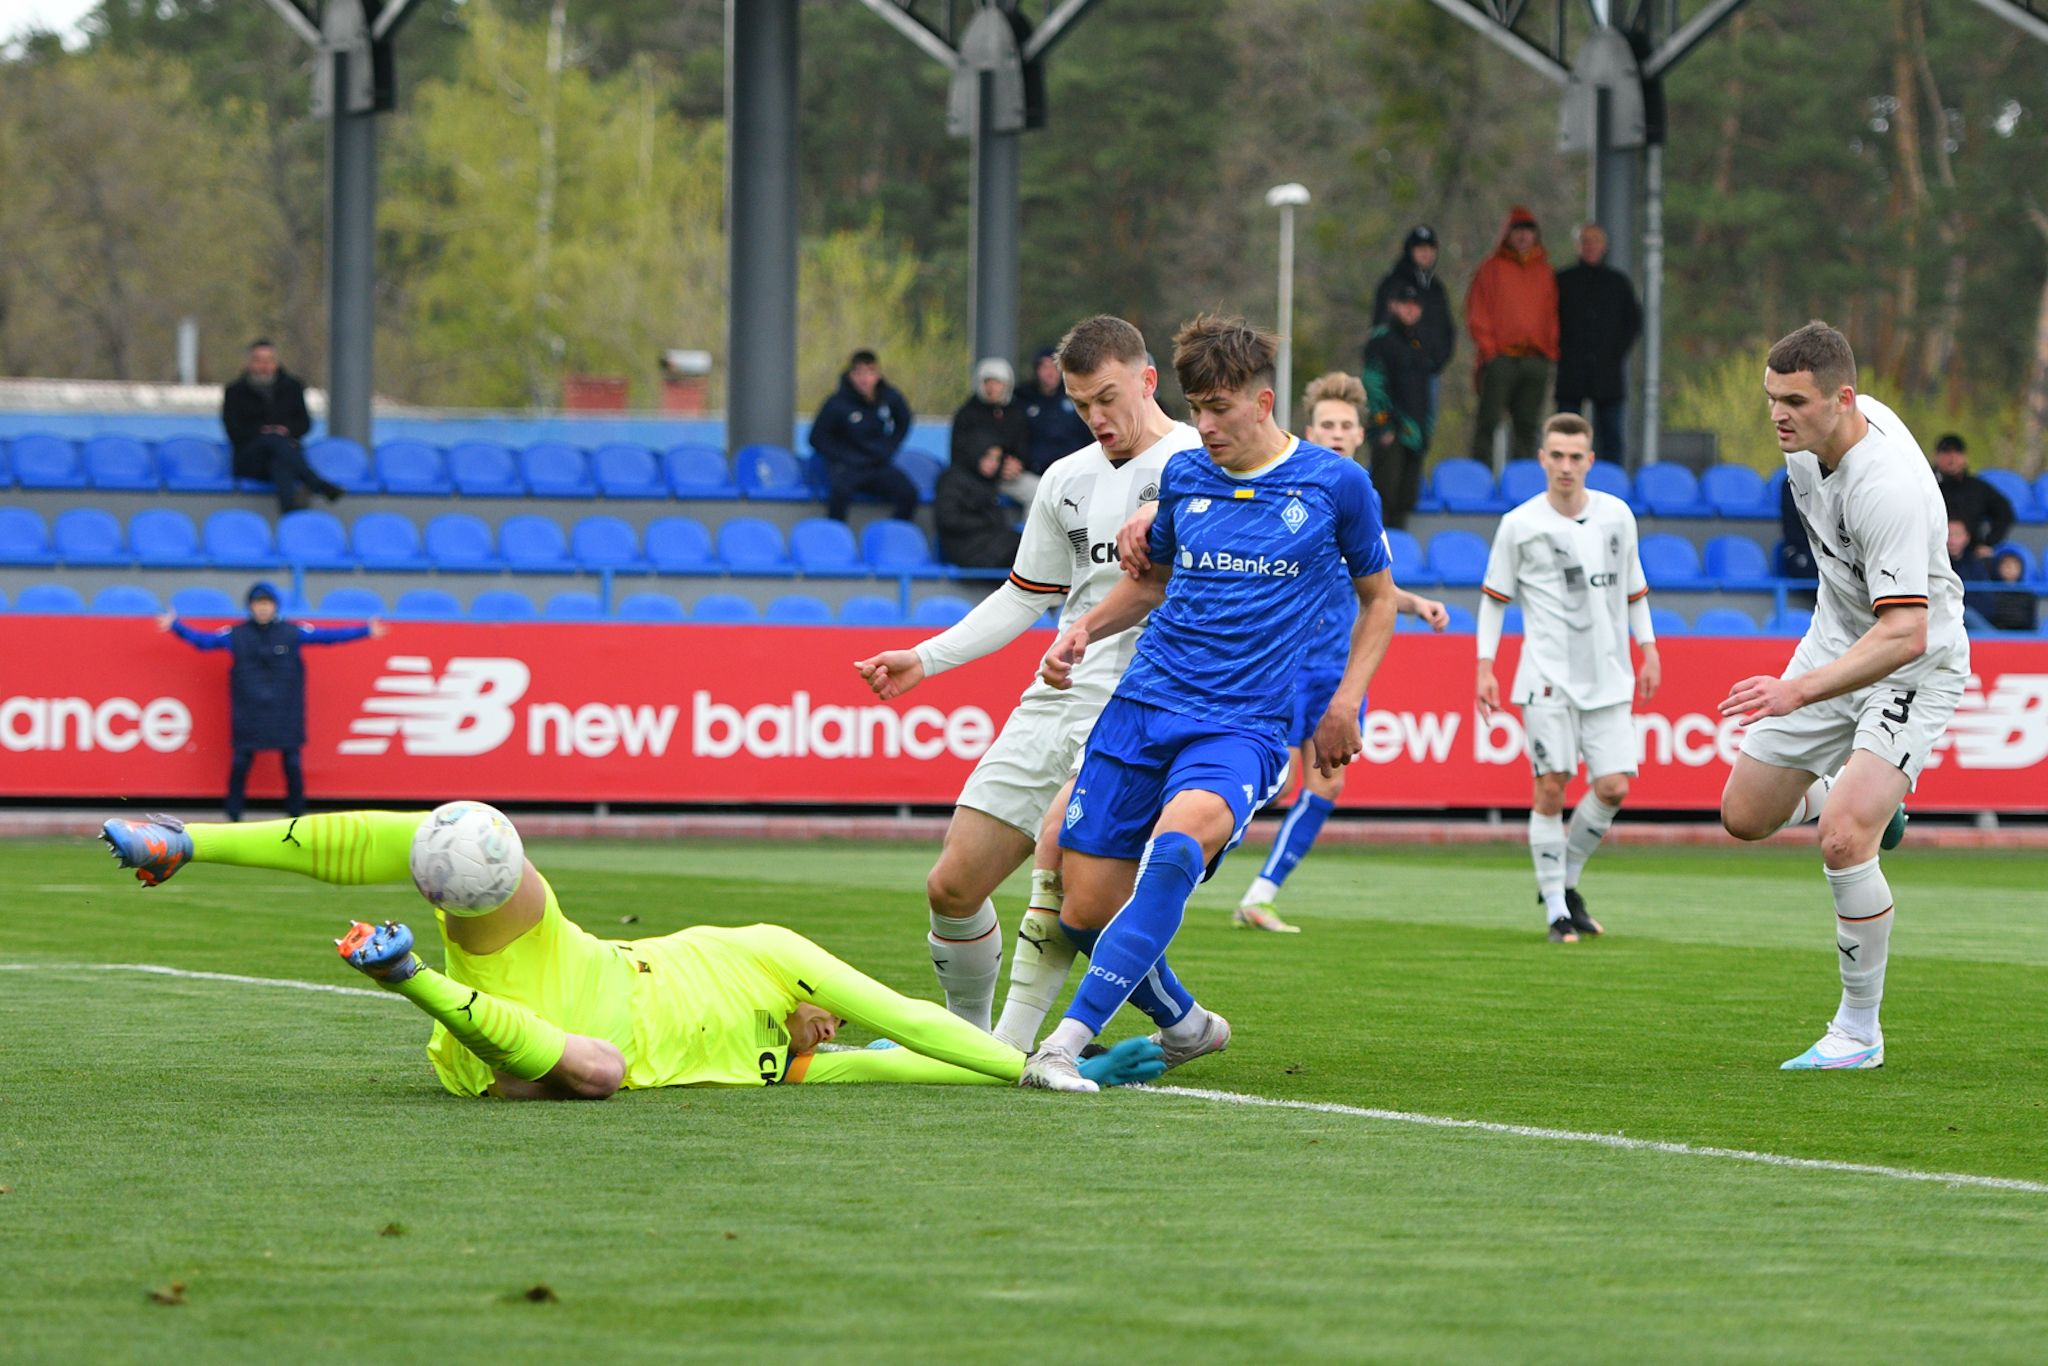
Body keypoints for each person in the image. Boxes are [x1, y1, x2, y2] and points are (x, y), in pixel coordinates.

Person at [96, 806, 1164, 1097]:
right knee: (461, 837)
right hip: (559, 985)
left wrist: (1044, 1063)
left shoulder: (784, 1068)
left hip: (540, 1031)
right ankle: (191, 840)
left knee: (591, 1067)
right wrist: (1025, 1062)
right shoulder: (768, 952)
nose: (825, 1029)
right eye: (817, 1027)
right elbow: (905, 1017)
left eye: (815, 1035)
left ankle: (406, 977)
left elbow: (901, 1058)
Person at [1019, 314, 1399, 1092]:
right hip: (1144, 704)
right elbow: (1153, 581)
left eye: (1219, 408)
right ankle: (1187, 1026)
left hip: (1243, 724)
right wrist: (1082, 630)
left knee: (1178, 845)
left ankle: (1060, 1045)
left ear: (1263, 402)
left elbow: (1380, 598)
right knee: (1085, 912)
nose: (1204, 425)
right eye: (1196, 408)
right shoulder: (1188, 475)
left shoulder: (1336, 485)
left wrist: (1344, 702)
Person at [853, 315, 1200, 1049]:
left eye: (1108, 398)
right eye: (1080, 405)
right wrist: (927, 657)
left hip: (1142, 701)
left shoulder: (1198, 465)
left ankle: (1005, 1049)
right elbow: (1024, 593)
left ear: (1146, 379)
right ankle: (973, 1034)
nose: (1096, 418)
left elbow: (1180, 587)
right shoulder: (1066, 480)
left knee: (1074, 878)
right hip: (1056, 692)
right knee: (951, 887)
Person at [1718, 321, 1966, 1071]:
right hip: (1837, 639)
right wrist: (1814, 674)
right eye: (1771, 398)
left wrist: (1797, 690)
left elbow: (1906, 635)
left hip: (1912, 662)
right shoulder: (1806, 446)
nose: (1778, 415)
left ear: (1844, 399)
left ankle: (1859, 1031)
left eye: (1794, 400)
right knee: (1744, 816)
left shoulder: (1884, 484)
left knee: (1843, 839)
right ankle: (1865, 800)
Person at [1231, 373, 1450, 933]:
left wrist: (1415, 603)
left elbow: (1370, 585)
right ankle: (1167, 869)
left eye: (1345, 426)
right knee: (1254, 780)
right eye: (1326, 424)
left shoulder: (1362, 495)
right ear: (1309, 431)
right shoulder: (1286, 486)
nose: (1335, 433)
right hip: (1277, 662)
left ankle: (1261, 893)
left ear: (1359, 435)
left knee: (1327, 783)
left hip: (1334, 667)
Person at [1475, 413, 1660, 943]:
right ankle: (1556, 907)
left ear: (1590, 461)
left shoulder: (1618, 516)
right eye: (1556, 455)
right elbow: (1493, 602)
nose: (1565, 466)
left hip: (1610, 673)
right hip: (1546, 678)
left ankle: (1565, 879)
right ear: (1542, 459)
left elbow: (1635, 591)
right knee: (1551, 786)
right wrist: (1485, 667)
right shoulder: (1519, 523)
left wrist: (1648, 648)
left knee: (1613, 787)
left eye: (1576, 457)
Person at [158, 582, 385, 821]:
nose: (263, 609)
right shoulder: (236, 635)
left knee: (292, 765)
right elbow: (204, 642)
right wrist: (176, 626)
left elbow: (328, 636)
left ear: (275, 606)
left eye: (267, 604)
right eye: (258, 604)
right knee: (240, 764)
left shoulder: (291, 632)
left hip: (285, 713)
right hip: (249, 713)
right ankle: (233, 816)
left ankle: (296, 816)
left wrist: (365, 630)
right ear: (250, 607)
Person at [1465, 207, 1559, 470]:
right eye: (1517, 230)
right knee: (1488, 422)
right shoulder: (1491, 269)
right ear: (1507, 234)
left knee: (1528, 426)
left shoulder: (1544, 272)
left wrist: (1549, 352)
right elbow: (1477, 312)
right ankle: (1479, 477)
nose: (1522, 237)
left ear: (1535, 236)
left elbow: (1552, 315)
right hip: (1501, 358)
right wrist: (1490, 352)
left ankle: (1523, 480)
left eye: (1528, 231)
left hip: (1535, 359)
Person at [1553, 224, 1642, 467]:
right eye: (1585, 241)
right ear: (1578, 245)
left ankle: (1611, 484)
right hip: (1571, 369)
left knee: (1611, 436)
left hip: (1607, 371)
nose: (1590, 246)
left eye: (1595, 241)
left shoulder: (1618, 283)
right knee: (1566, 434)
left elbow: (1633, 323)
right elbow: (1548, 320)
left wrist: (1614, 353)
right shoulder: (1562, 281)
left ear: (1604, 246)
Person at [221, 339, 342, 514]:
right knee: (274, 440)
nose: (264, 365)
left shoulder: (293, 387)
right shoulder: (234, 392)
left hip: (284, 455)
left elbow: (304, 424)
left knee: (280, 458)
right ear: (249, 363)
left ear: (275, 362)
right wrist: (263, 433)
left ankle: (289, 510)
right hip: (250, 459)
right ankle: (316, 483)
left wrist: (285, 431)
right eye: (259, 360)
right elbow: (233, 431)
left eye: (269, 360)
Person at [810, 349, 919, 523]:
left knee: (909, 493)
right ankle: (837, 541)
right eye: (859, 373)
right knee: (839, 494)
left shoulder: (889, 397)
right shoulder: (837, 403)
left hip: (877, 464)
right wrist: (842, 457)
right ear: (851, 375)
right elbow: (816, 438)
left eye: (870, 373)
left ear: (877, 375)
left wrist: (889, 447)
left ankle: (892, 537)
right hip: (848, 467)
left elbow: (904, 420)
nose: (865, 379)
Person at [1369, 225, 1457, 434]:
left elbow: (1447, 330)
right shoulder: (1392, 284)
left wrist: (1435, 361)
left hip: (1426, 373)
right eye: (1420, 248)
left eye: (1430, 248)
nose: (1425, 253)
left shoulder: (1436, 289)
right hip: (1395, 374)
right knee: (1390, 432)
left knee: (1422, 431)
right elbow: (1379, 330)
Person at [1361, 284, 1435, 527]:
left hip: (1416, 433)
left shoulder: (1420, 343)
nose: (1411, 310)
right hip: (1392, 431)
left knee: (1406, 499)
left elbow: (1426, 392)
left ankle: (1399, 557)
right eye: (1405, 304)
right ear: (1393, 305)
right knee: (1384, 497)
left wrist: (1426, 429)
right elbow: (1372, 384)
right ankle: (1378, 558)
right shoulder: (1381, 340)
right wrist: (1384, 426)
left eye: (1415, 305)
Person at [948, 357, 1038, 506]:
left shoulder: (1016, 412)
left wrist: (1018, 464)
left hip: (1007, 478)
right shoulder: (967, 413)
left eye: (997, 382)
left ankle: (1029, 530)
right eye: (987, 382)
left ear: (1007, 385)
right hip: (974, 478)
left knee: (1038, 491)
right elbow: (959, 453)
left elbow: (1023, 445)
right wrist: (986, 465)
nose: (991, 388)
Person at [933, 446, 1023, 569]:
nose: (993, 464)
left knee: (1031, 546)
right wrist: (985, 521)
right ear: (977, 454)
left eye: (997, 459)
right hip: (966, 548)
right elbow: (948, 519)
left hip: (990, 542)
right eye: (988, 457)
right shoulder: (952, 479)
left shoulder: (988, 482)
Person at [1932, 434, 2013, 558]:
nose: (1952, 457)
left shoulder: (1977, 488)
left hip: (1972, 556)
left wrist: (1989, 542)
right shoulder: (1928, 488)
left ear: (1965, 457)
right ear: (1936, 457)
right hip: (1933, 555)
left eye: (1957, 452)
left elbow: (2004, 512)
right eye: (1946, 452)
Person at [1020, 346, 1093, 474]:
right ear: (1036, 370)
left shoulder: (1076, 396)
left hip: (1074, 470)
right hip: (1035, 472)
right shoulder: (1024, 398)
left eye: (1055, 367)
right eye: (1045, 367)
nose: (1050, 372)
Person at [1981, 549, 2038, 633]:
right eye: (2007, 566)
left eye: (2015, 567)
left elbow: (2030, 622)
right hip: (1994, 634)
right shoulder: (1990, 591)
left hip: (2021, 636)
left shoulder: (2028, 594)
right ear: (1999, 568)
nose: (2011, 570)